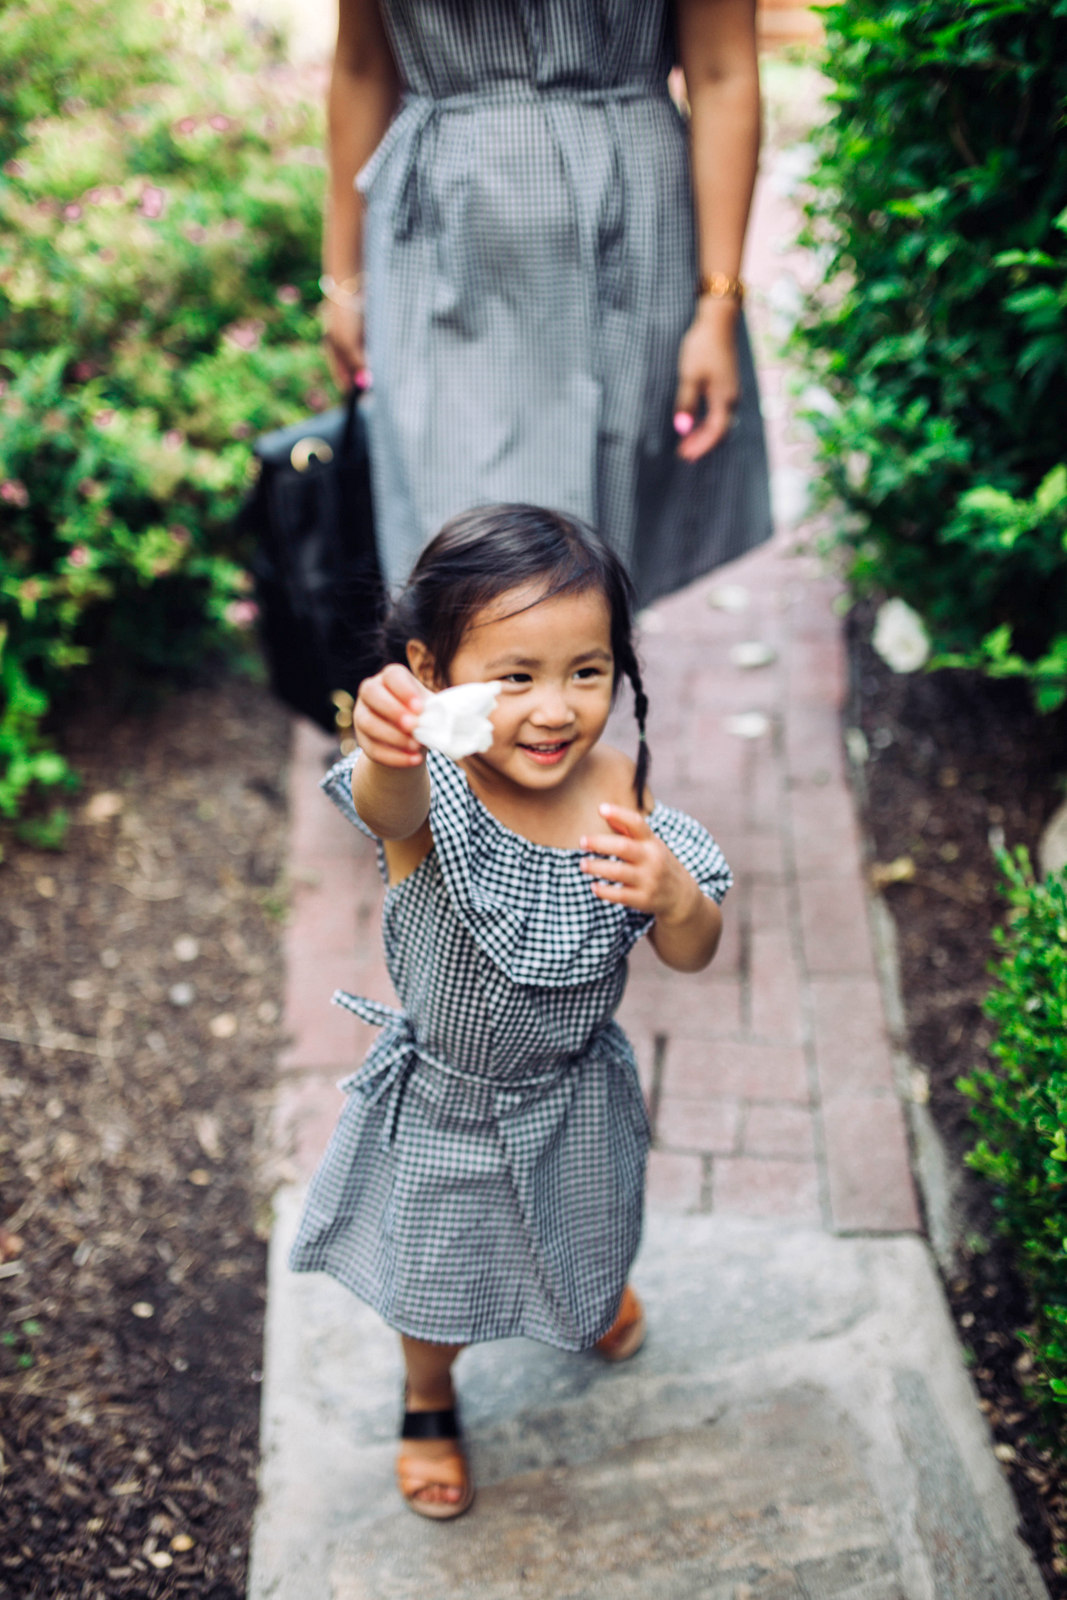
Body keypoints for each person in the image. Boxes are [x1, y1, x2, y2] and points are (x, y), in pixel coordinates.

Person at [289, 504, 731, 1518]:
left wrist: (675, 896)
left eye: (586, 671)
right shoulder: (426, 791)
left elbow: (694, 950)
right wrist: (388, 747)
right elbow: (381, 804)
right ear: (432, 674)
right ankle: (429, 1395)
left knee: (591, 1225)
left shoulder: (627, 789)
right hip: (450, 1104)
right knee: (436, 1281)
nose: (554, 709)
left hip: (574, 1093)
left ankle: (587, 1289)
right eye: (514, 674)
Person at [320, 0, 772, 604]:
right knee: (457, 569)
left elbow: (722, 71)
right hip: (440, 240)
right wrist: (342, 279)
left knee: (598, 569)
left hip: (630, 240)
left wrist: (717, 305)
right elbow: (360, 65)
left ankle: (583, 690)